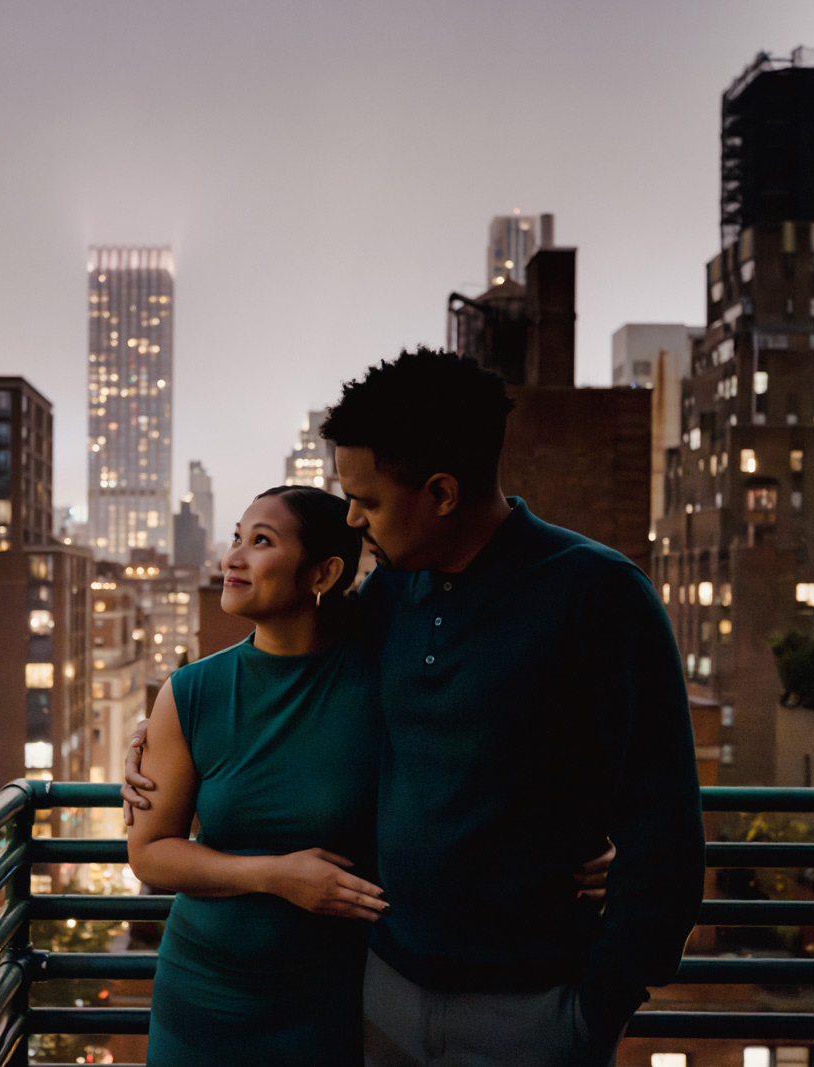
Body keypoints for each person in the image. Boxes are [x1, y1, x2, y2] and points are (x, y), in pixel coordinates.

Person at [128, 349, 704, 1067]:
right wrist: (153, 737)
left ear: (440, 493)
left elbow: (666, 823)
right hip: (380, 996)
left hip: (535, 1011)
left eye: (367, 499)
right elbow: (281, 672)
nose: (352, 516)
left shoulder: (600, 597)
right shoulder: (388, 598)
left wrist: (601, 1003)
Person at [126, 485, 386, 1065]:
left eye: (260, 542)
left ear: (323, 573)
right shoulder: (192, 691)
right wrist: (275, 875)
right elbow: (150, 854)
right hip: (200, 996)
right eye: (237, 538)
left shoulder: (380, 684)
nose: (233, 557)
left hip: (332, 1000)